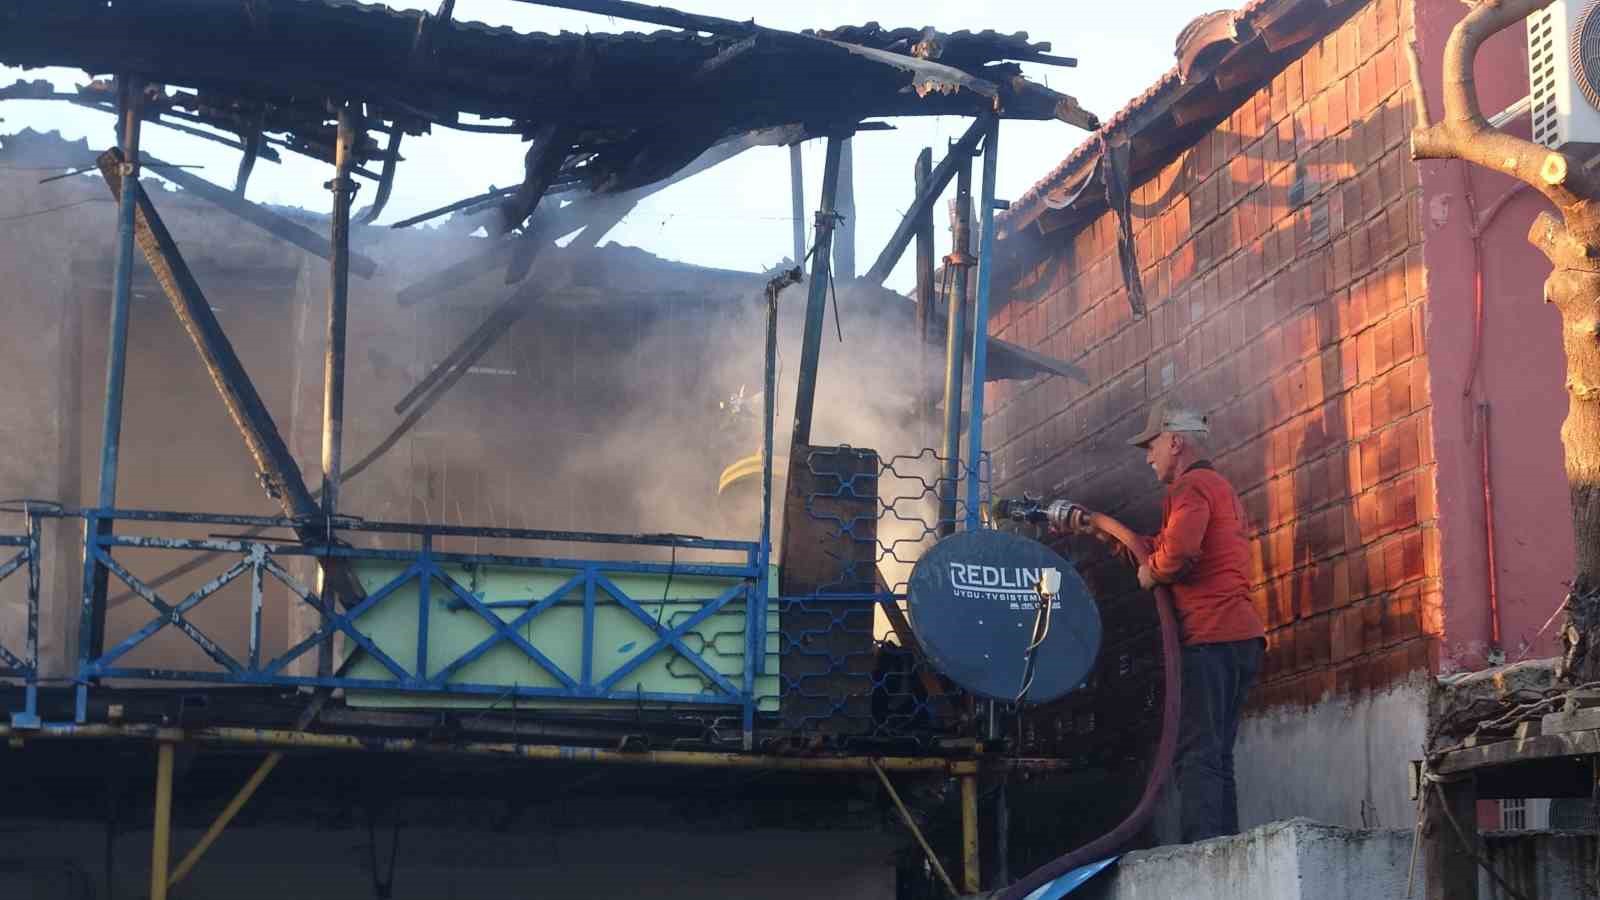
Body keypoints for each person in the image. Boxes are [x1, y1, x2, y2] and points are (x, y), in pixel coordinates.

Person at [1057, 401, 1266, 843]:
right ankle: (1225, 845)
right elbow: (1162, 546)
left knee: (1196, 753)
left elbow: (1177, 555)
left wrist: (1152, 572)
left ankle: (1204, 853)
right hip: (1241, 637)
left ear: (1176, 441)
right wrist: (1107, 535)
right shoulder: (1218, 488)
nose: (1148, 456)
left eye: (1151, 446)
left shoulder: (1189, 489)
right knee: (1217, 755)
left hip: (1210, 636)